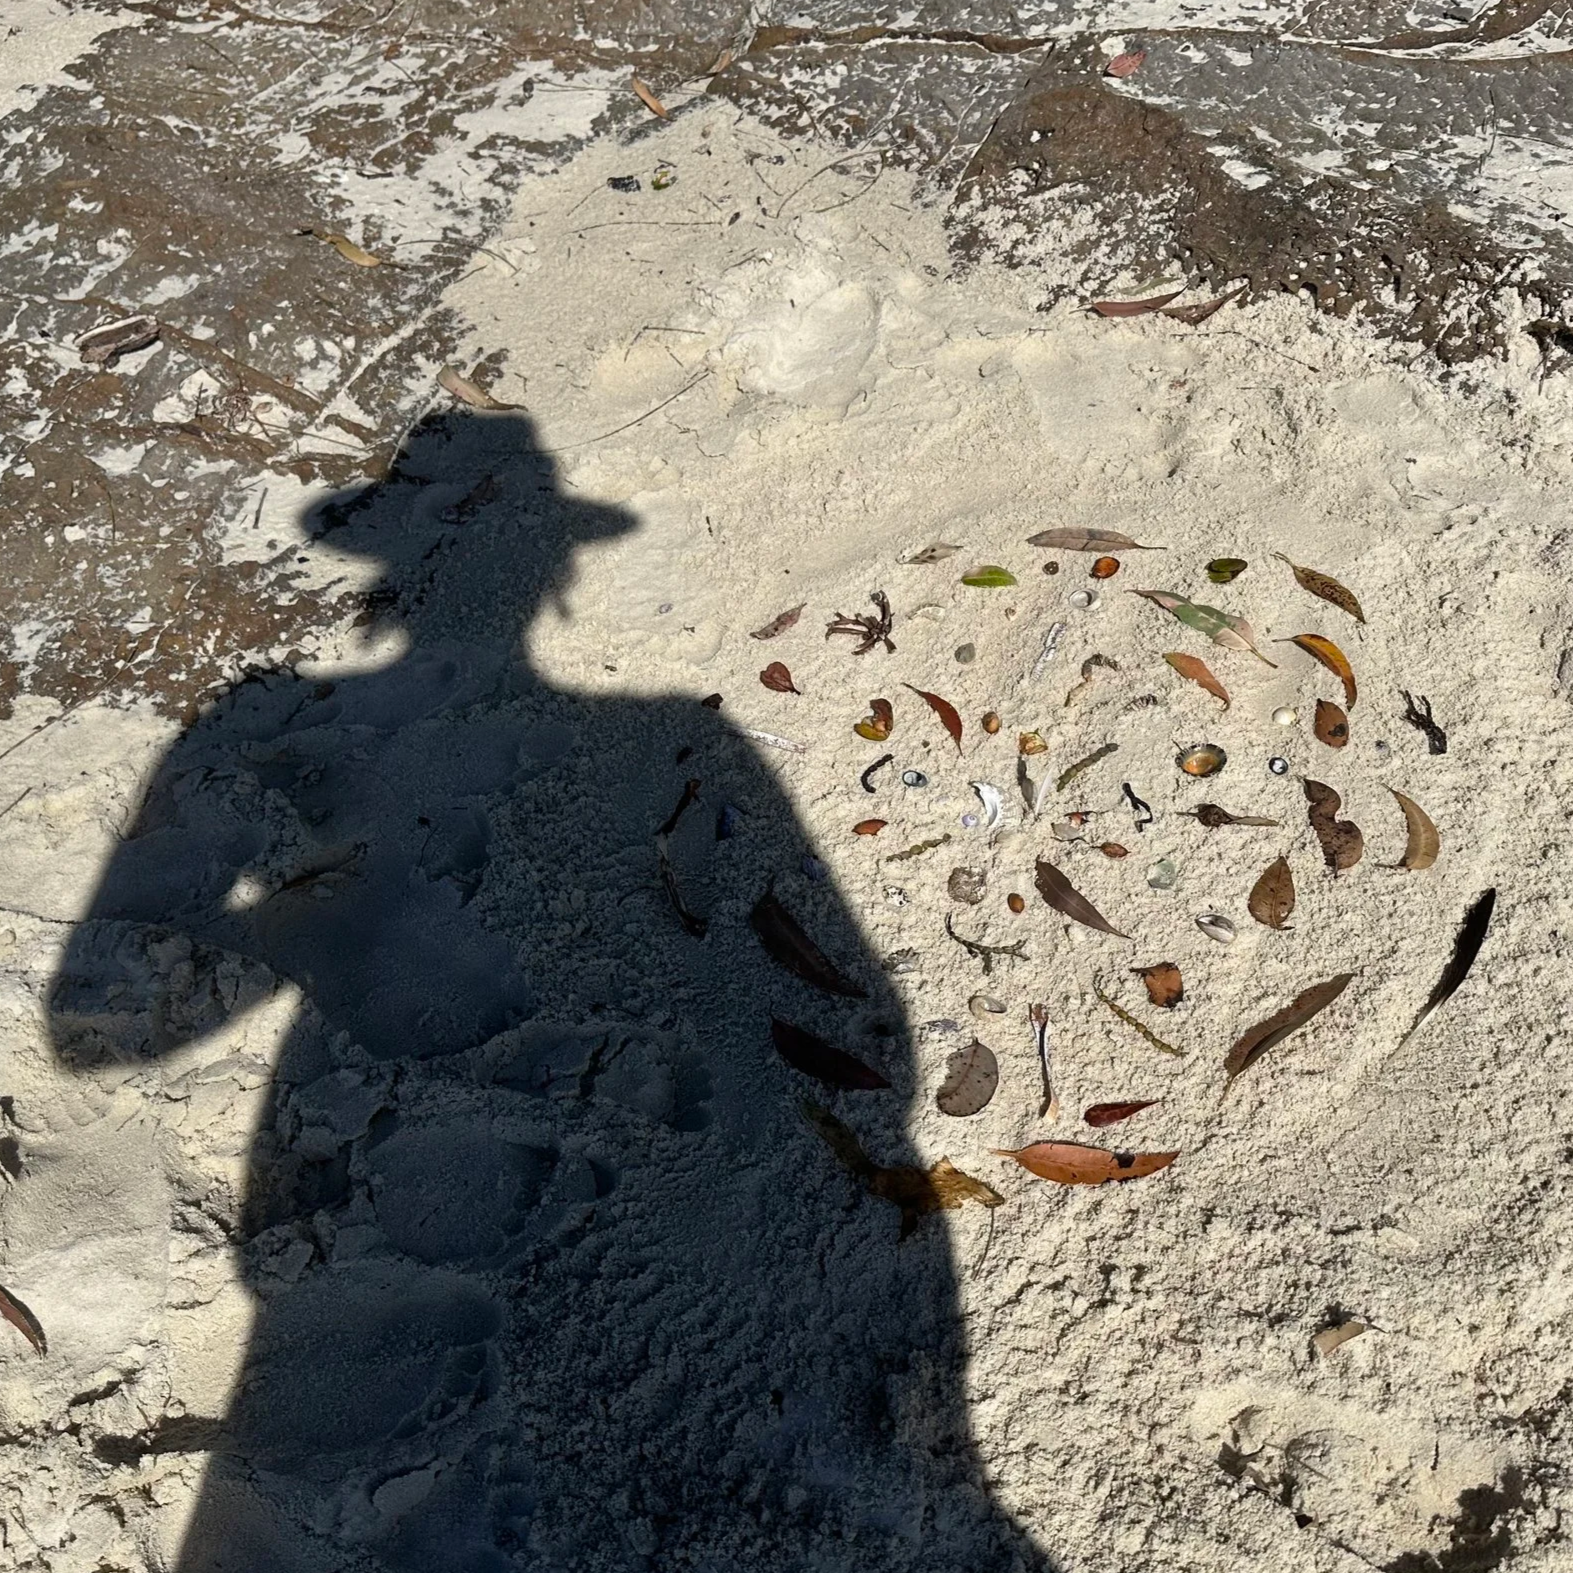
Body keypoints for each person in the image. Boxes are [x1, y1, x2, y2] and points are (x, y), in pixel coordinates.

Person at [49, 410, 1050, 1572]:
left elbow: (106, 1025)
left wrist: (313, 918)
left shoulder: (645, 742)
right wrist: (314, 918)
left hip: (530, 1229)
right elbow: (97, 1028)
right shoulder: (654, 740)